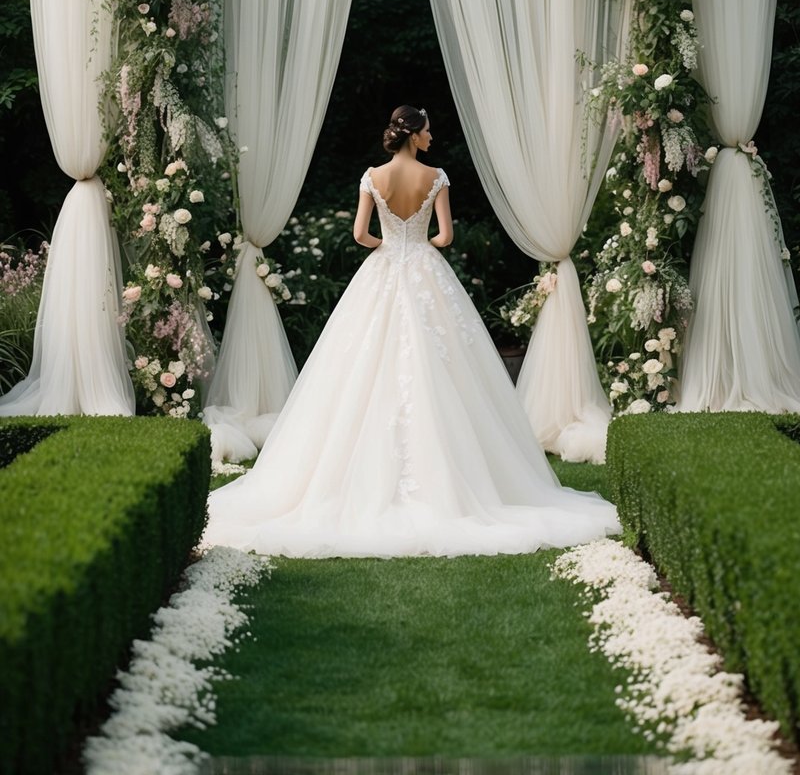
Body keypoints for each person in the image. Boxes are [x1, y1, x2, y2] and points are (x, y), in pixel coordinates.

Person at [202, 105, 620, 557]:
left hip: (381, 271)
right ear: (414, 134)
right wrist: (416, 244)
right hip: (424, 270)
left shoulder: (372, 176)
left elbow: (360, 234)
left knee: (361, 363)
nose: (433, 137)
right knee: (445, 363)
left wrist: (389, 246)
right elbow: (446, 236)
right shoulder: (436, 177)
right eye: (428, 130)